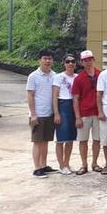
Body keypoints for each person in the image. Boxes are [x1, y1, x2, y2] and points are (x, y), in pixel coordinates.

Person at [27, 50, 57, 178]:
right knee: (37, 142)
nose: (47, 61)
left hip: (49, 114)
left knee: (45, 141)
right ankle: (37, 168)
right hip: (38, 114)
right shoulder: (33, 76)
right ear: (39, 60)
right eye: (45, 58)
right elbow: (30, 95)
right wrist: (33, 114)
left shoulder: (54, 75)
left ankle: (43, 165)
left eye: (50, 58)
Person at [72, 50, 101, 175]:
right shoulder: (79, 78)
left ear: (93, 60)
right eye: (85, 60)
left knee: (97, 139)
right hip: (84, 113)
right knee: (83, 140)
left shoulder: (101, 75)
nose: (88, 62)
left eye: (89, 59)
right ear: (81, 62)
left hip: (98, 112)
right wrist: (77, 117)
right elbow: (75, 98)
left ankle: (95, 163)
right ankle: (84, 164)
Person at [52, 54, 78, 175]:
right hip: (63, 104)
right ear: (64, 63)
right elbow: (54, 95)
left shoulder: (77, 77)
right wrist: (56, 113)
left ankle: (67, 163)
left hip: (74, 105)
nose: (70, 63)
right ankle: (61, 165)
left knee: (70, 138)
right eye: (68, 61)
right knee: (61, 138)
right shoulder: (58, 77)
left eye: (72, 61)